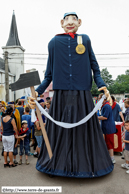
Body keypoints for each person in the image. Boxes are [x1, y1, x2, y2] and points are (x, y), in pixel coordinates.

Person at [29, 12, 113, 178]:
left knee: (84, 132)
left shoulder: (86, 40)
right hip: (61, 96)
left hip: (82, 94)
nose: (70, 22)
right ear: (61, 23)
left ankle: (85, 166)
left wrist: (102, 86)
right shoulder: (53, 43)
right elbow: (49, 75)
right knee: (61, 132)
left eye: (74, 19)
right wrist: (36, 93)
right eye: (66, 19)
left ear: (79, 22)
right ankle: (59, 166)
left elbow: (95, 68)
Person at [98, 93, 116, 164]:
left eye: (99, 98)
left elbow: (105, 117)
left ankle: (112, 159)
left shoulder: (106, 106)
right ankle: (110, 157)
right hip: (107, 127)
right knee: (107, 142)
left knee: (109, 143)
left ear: (103, 99)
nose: (99, 100)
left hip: (108, 127)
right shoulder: (105, 105)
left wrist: (95, 118)